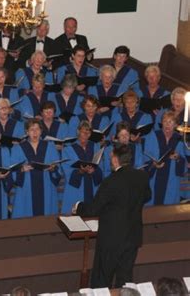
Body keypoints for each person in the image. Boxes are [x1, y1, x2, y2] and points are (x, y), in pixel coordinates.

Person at [73, 144, 151, 288]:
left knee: (101, 281)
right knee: (125, 281)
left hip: (111, 239)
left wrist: (78, 206)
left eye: (110, 158)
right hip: (132, 237)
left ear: (115, 160)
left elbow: (93, 209)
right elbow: (147, 196)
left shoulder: (111, 181)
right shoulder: (142, 176)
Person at [12, 118, 61, 217]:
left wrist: (53, 168)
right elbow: (13, 170)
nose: (35, 132)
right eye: (31, 129)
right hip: (26, 190)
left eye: (37, 129)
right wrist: (21, 169)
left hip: (46, 187)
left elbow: (57, 168)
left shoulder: (50, 147)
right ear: (26, 132)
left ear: (41, 131)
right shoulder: (17, 148)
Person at [143, 111, 186, 205]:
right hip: (154, 178)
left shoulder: (179, 139)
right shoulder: (153, 136)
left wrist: (178, 158)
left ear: (175, 125)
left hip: (171, 180)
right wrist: (153, 164)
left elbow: (184, 161)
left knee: (168, 210)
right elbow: (145, 158)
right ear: (161, 122)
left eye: (170, 122)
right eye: (165, 121)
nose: (167, 124)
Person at [61, 120, 103, 214]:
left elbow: (100, 167)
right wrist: (80, 171)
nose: (85, 134)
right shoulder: (68, 149)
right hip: (77, 189)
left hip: (92, 186)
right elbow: (67, 170)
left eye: (88, 132)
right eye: (83, 131)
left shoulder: (95, 147)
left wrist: (94, 171)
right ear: (78, 131)